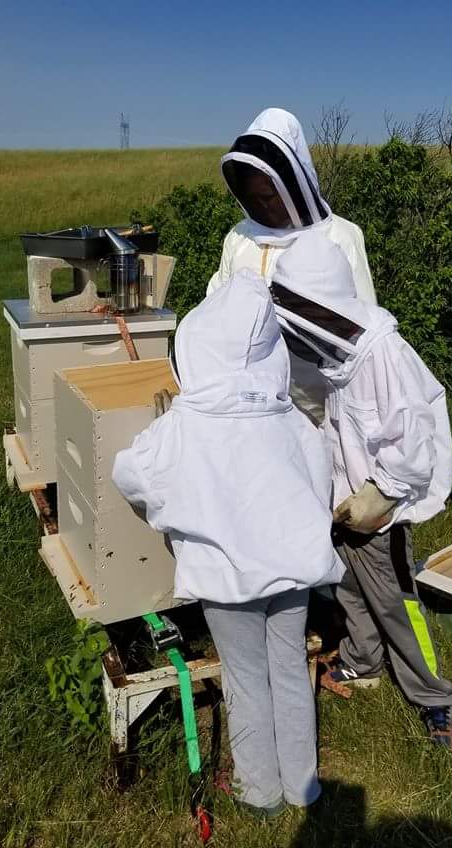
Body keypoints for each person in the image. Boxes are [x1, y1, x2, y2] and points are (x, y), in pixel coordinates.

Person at [112, 269, 344, 815]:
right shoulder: (291, 420)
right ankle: (303, 788)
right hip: (292, 571)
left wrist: (167, 510)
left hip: (228, 580)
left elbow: (131, 474)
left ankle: (259, 792)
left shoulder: (184, 426)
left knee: (245, 678)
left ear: (200, 346)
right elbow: (320, 483)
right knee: (289, 669)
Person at [270, 233, 452, 756]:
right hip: (347, 505)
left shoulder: (384, 355)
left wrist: (382, 494)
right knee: (350, 591)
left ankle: (437, 699)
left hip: (383, 513)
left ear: (324, 305)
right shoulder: (340, 356)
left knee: (400, 606)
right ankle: (363, 662)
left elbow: (415, 440)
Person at [210, 107, 376, 424]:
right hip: (249, 406)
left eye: (269, 195)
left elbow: (364, 329)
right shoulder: (239, 238)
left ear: (293, 185)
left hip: (320, 408)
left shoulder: (341, 236)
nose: (262, 205)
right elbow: (216, 304)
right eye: (254, 197)